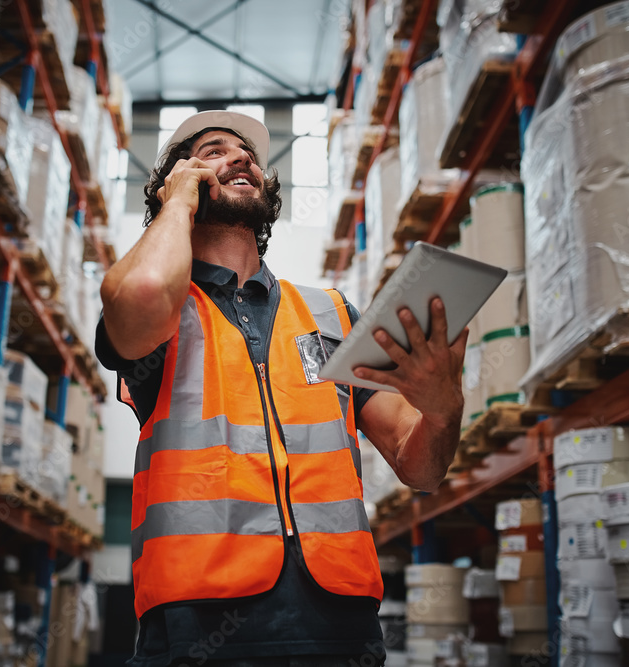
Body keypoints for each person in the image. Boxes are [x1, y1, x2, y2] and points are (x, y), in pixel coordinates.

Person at [95, 111, 467, 667]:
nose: (242, 158)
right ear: (178, 178)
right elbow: (146, 290)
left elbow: (422, 469)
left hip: (340, 626)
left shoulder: (332, 313)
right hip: (197, 624)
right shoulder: (165, 309)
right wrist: (175, 205)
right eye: (214, 151)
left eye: (248, 154)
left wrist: (443, 409)